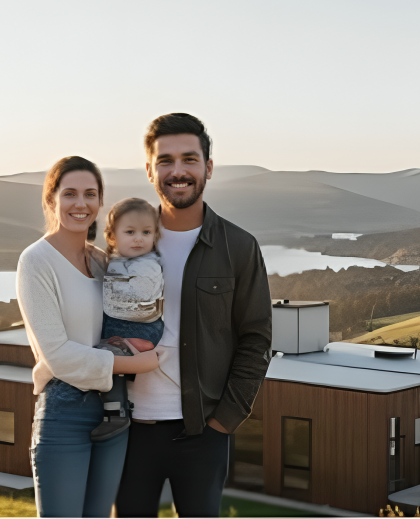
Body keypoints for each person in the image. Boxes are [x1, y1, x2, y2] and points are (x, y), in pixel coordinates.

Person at [114, 113, 273, 517]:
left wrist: (225, 421)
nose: (178, 171)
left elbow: (256, 340)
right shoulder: (123, 245)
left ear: (208, 168)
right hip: (127, 430)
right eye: (165, 161)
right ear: (149, 170)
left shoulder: (238, 247)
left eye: (189, 159)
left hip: (203, 431)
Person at [17, 156, 161, 518]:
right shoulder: (36, 261)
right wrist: (135, 363)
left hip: (114, 408)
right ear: (52, 200)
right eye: (69, 193)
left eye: (90, 194)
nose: (80, 203)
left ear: (99, 203)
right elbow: (59, 356)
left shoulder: (103, 262)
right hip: (65, 410)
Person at [90, 197, 165, 442]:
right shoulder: (119, 262)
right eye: (130, 232)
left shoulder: (147, 265)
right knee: (111, 364)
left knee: (105, 357)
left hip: (139, 329)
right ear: (112, 237)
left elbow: (141, 298)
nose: (138, 238)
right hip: (129, 326)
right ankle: (130, 409)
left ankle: (116, 414)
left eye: (146, 232)